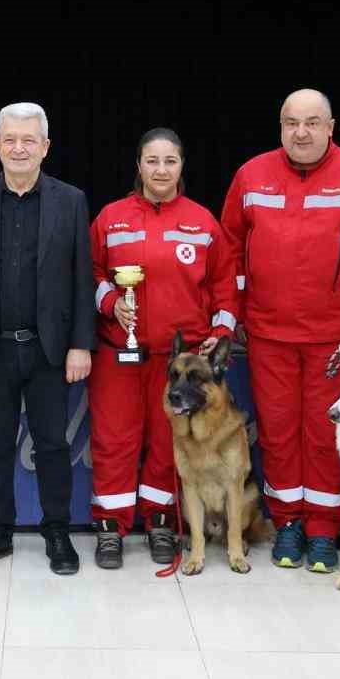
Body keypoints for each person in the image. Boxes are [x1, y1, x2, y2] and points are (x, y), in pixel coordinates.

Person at [219, 88, 340, 573]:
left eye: (312, 123)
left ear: (331, 128)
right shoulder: (251, 176)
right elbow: (229, 249)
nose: (301, 132)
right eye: (291, 123)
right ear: (280, 127)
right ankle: (288, 524)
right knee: (276, 432)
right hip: (267, 335)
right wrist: (237, 313)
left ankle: (323, 529)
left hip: (334, 339)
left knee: (323, 433)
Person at [0, 102, 95, 575]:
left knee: (52, 444)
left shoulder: (71, 201)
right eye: (10, 139)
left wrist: (80, 344)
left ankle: (57, 531)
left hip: (51, 348)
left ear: (45, 147)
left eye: (29, 140)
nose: (19, 148)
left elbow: (81, 277)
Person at [88, 127, 238, 569]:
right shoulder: (111, 218)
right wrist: (113, 304)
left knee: (166, 441)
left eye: (169, 161)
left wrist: (221, 331)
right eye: (151, 161)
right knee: (114, 439)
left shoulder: (202, 221)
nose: (160, 169)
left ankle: (160, 521)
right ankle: (110, 526)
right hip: (119, 352)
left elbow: (225, 284)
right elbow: (90, 273)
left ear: (181, 166)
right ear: (138, 165)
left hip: (180, 365)